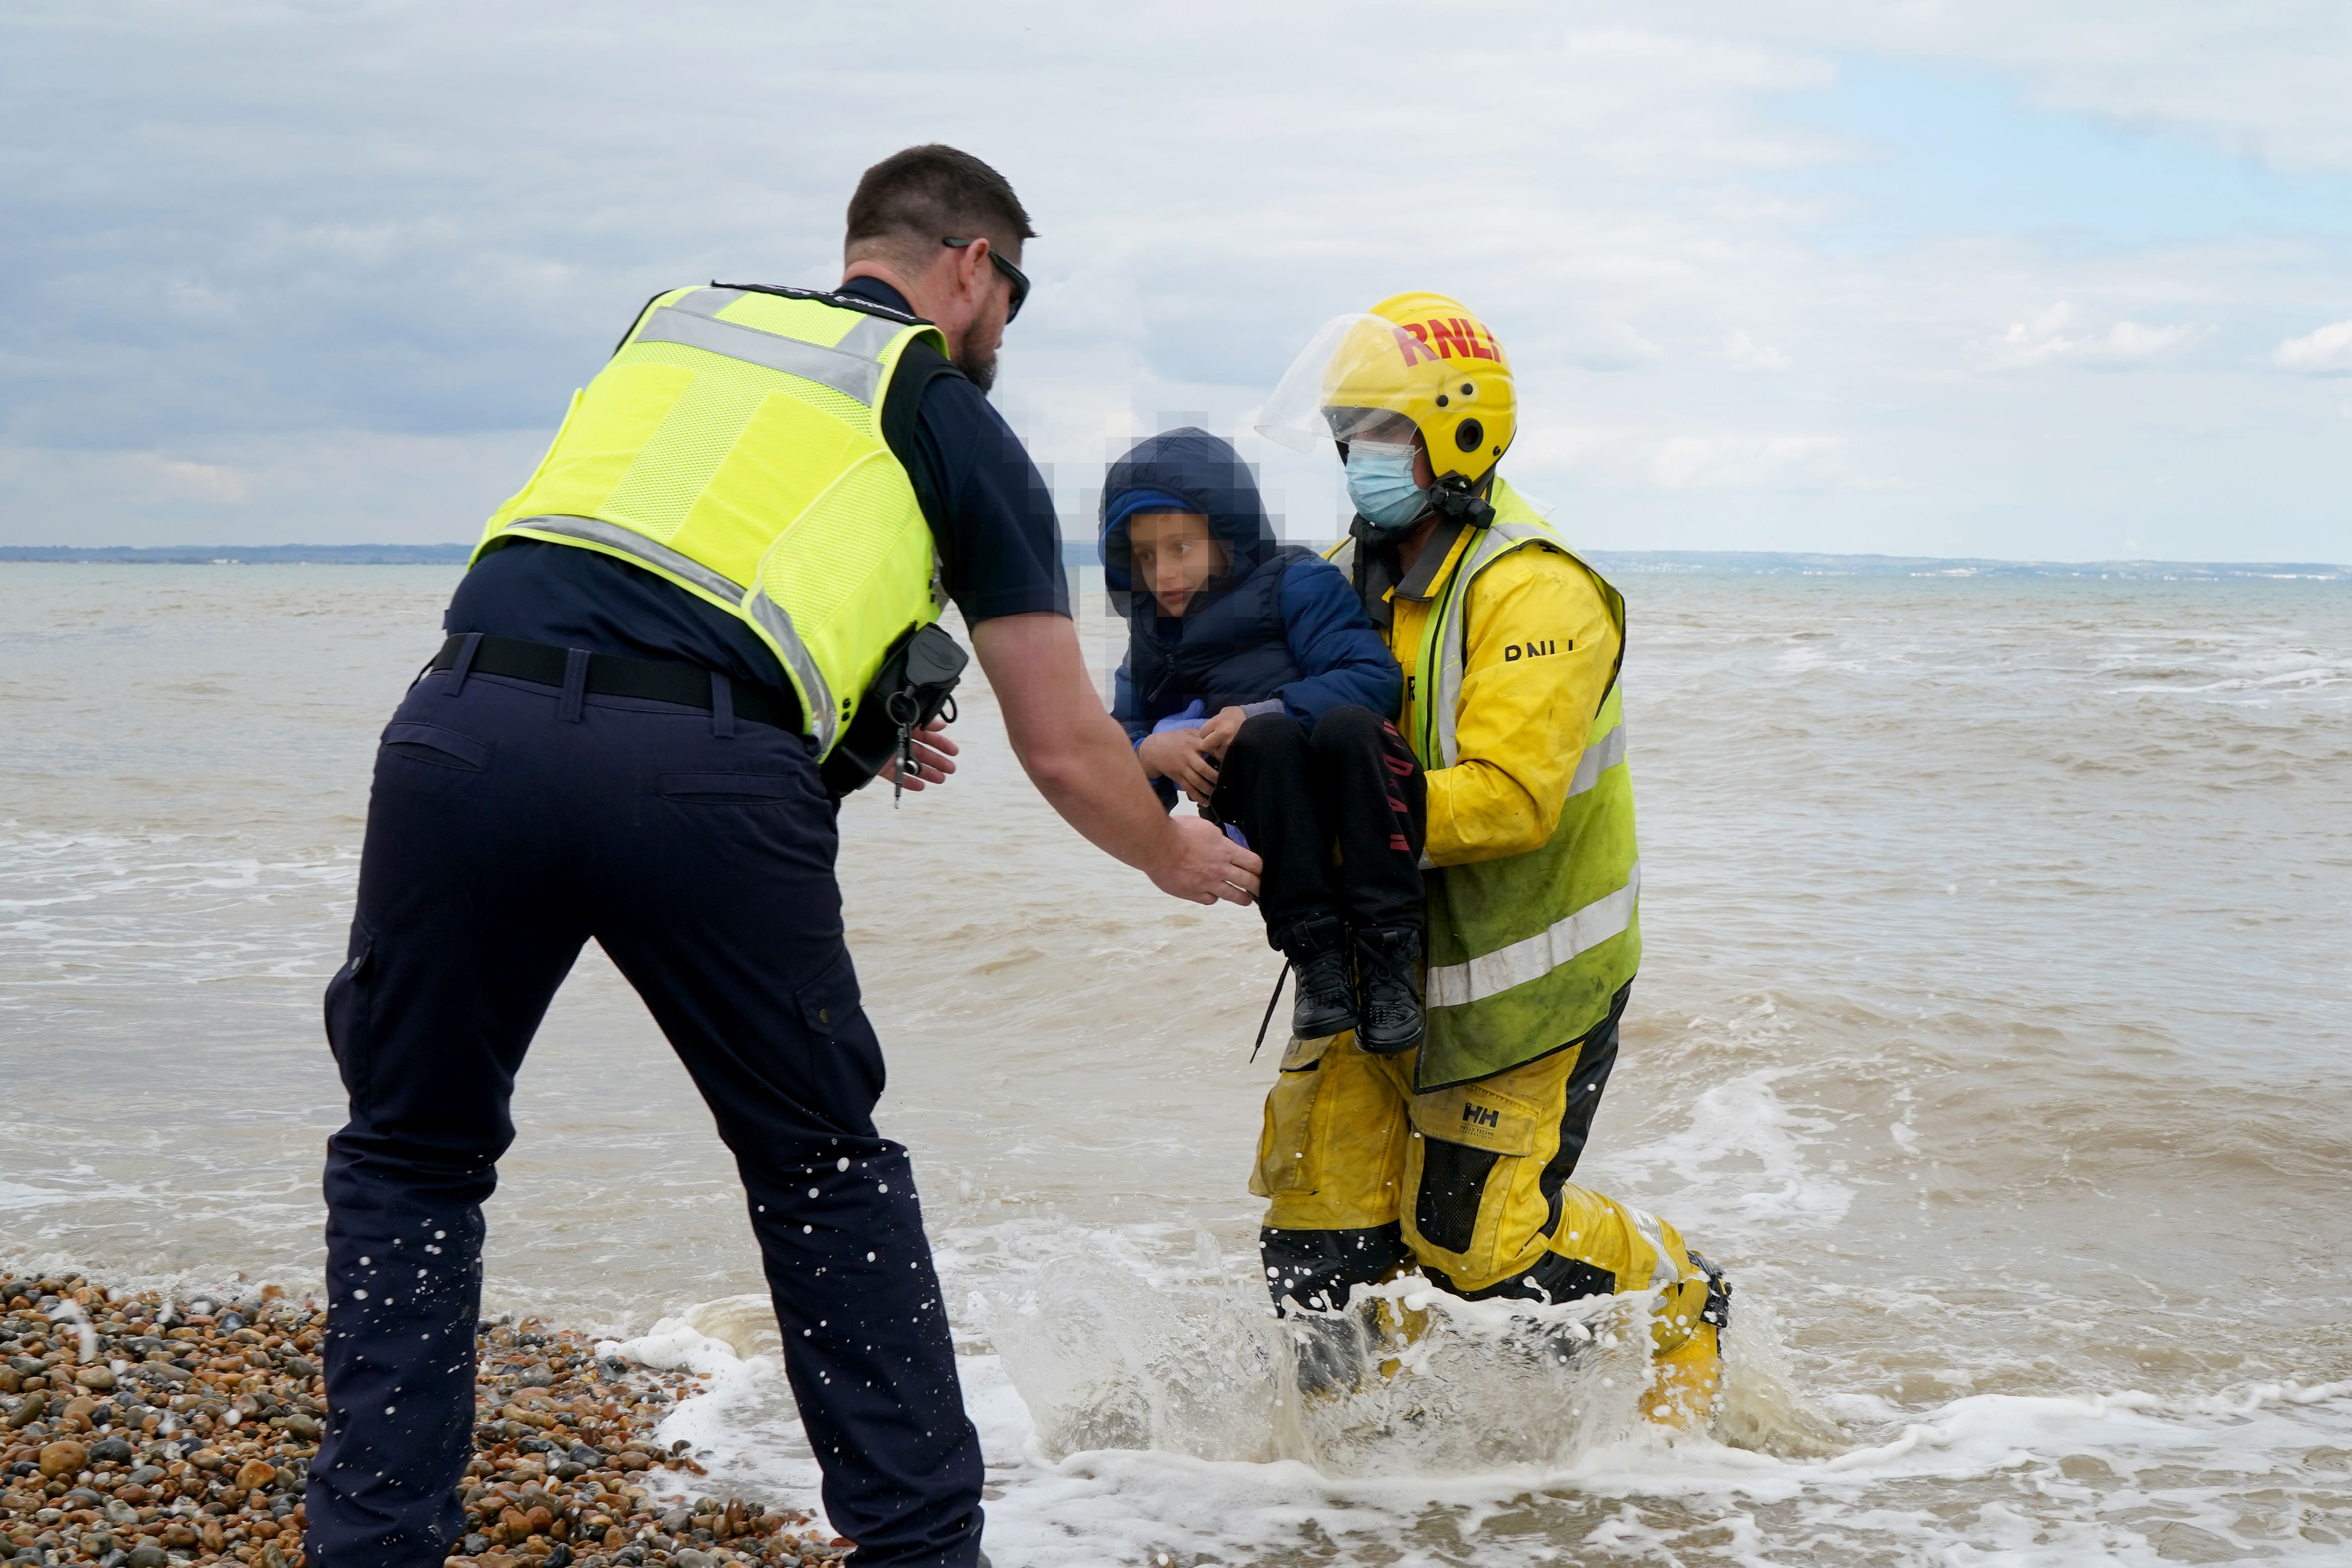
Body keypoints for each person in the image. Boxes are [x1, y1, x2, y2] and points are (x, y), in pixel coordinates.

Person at [311, 145, 1258, 1568]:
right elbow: (1065, 745)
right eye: (1013, 295)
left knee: (409, 1156)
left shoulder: (674, 324)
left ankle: (372, 1539)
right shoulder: (942, 409)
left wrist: (816, 717)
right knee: (821, 1168)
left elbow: (671, 562)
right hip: (698, 780)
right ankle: (921, 1547)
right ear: (971, 268)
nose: (1004, 330)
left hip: (460, 732)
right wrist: (1166, 852)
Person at [1245, 293, 1701, 1381]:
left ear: (1456, 434)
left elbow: (1506, 800)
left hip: (1517, 995)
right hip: (1372, 969)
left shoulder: (1536, 590)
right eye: (1345, 432)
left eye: (1380, 432)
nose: (1356, 456)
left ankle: (1678, 1295)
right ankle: (1357, 1490)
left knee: (1478, 1250)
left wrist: (1337, 825)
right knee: (1315, 1239)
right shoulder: (1329, 576)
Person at [1100, 427, 1422, 1047]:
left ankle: (1389, 964)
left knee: (1334, 725)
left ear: (1228, 534)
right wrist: (1148, 753)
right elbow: (1113, 741)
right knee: (1266, 744)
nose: (1163, 574)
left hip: (1347, 777)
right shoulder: (1152, 637)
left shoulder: (1294, 581)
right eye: (1144, 556)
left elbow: (1372, 679)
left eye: (1181, 548)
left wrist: (1261, 710)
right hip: (1260, 801)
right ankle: (1316, 963)